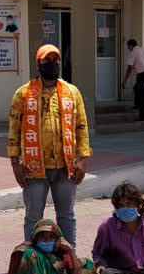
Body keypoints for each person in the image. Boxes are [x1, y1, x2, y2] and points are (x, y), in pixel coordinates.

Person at [7, 44, 92, 247]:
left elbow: (81, 126)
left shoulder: (72, 92)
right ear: (38, 64)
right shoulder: (23, 94)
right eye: (47, 61)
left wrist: (84, 160)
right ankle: (32, 261)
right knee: (33, 217)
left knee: (66, 215)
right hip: (34, 167)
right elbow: (14, 129)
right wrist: (14, 163)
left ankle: (68, 258)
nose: (52, 64)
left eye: (55, 60)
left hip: (66, 166)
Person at [121, 39, 144, 121]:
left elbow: (129, 69)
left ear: (131, 45)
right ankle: (137, 105)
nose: (128, 48)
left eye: (128, 46)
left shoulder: (133, 53)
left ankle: (143, 116)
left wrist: (124, 81)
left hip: (142, 75)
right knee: (136, 88)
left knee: (141, 96)